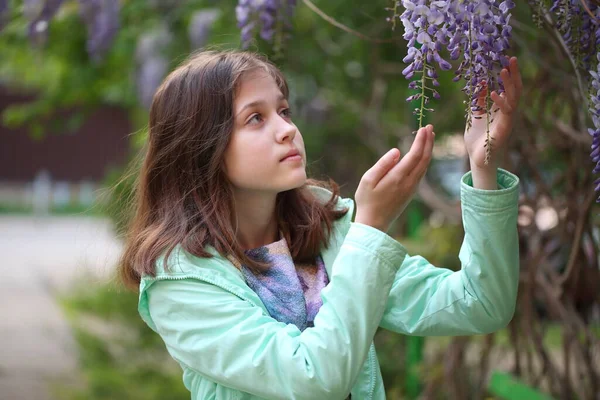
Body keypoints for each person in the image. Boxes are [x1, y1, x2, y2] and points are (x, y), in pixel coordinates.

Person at [118, 49, 522, 400]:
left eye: (283, 110)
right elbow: (315, 377)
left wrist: (483, 169)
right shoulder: (182, 283)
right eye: (255, 118)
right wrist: (372, 228)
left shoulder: (329, 225)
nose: (287, 129)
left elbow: (481, 303)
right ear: (201, 147)